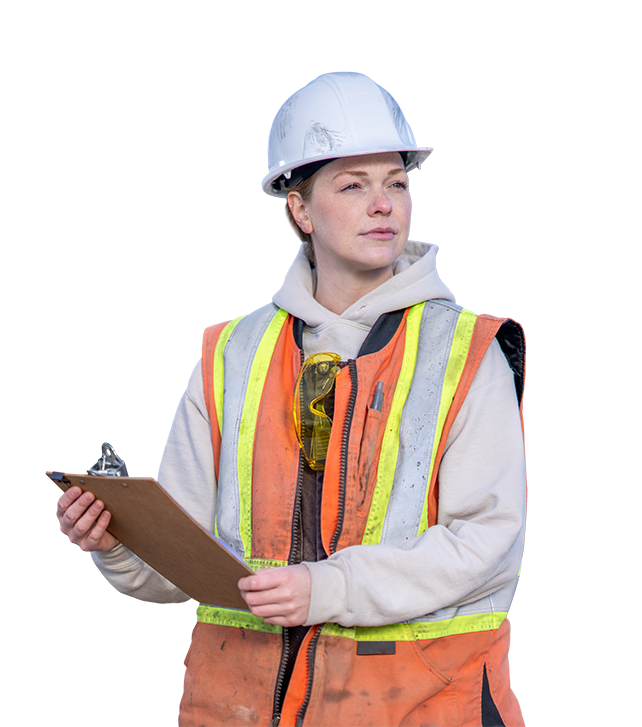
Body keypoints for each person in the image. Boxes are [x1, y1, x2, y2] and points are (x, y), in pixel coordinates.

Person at [56, 71, 527, 727]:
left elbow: (487, 545)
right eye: (353, 185)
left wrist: (325, 588)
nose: (384, 203)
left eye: (395, 181)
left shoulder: (466, 354)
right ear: (301, 210)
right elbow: (189, 563)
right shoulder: (232, 355)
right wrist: (117, 542)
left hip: (414, 709)